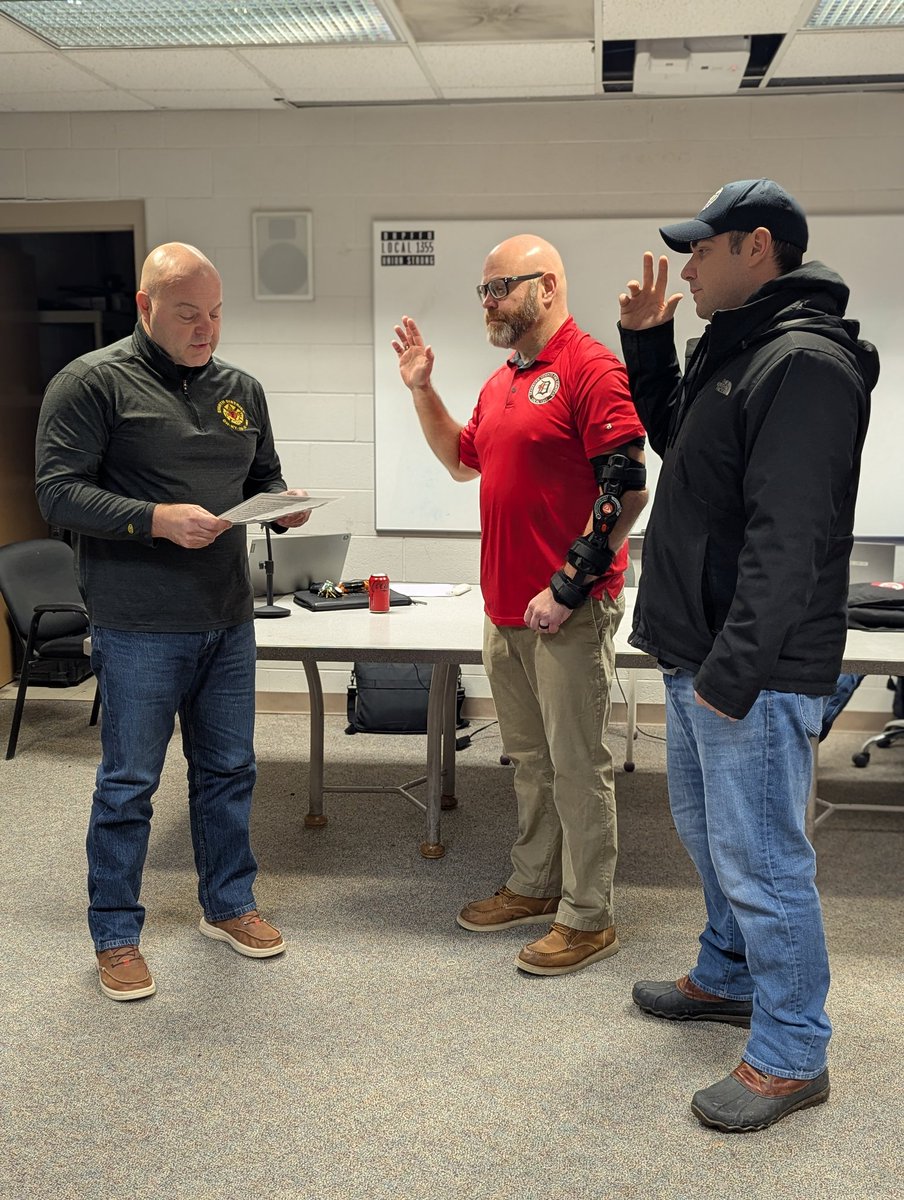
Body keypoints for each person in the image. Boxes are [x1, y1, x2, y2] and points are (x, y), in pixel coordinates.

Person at [617, 180, 878, 1130]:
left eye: (702, 250)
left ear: (755, 249)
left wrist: (733, 678)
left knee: (765, 862)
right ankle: (726, 976)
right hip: (701, 652)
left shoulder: (804, 364)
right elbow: (677, 447)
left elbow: (790, 537)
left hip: (748, 671)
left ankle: (791, 1052)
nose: (685, 267)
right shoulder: (738, 348)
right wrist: (648, 342)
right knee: (711, 836)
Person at [35, 242, 311, 1002]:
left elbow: (263, 475)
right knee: (129, 785)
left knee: (229, 771)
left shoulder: (240, 389)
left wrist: (281, 507)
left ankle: (228, 905)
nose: (206, 328)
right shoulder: (91, 382)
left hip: (227, 616)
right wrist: (154, 519)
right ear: (146, 307)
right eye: (189, 313)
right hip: (138, 623)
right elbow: (58, 493)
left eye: (217, 313)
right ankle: (116, 933)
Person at [394, 234, 647, 975]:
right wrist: (420, 388)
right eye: (483, 290)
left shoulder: (589, 366)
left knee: (577, 765)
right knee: (531, 762)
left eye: (500, 287)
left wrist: (567, 587)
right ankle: (537, 884)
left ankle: (588, 915)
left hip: (566, 611)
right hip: (505, 609)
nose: (488, 302)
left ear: (549, 285)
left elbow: (627, 486)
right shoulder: (506, 380)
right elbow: (459, 460)